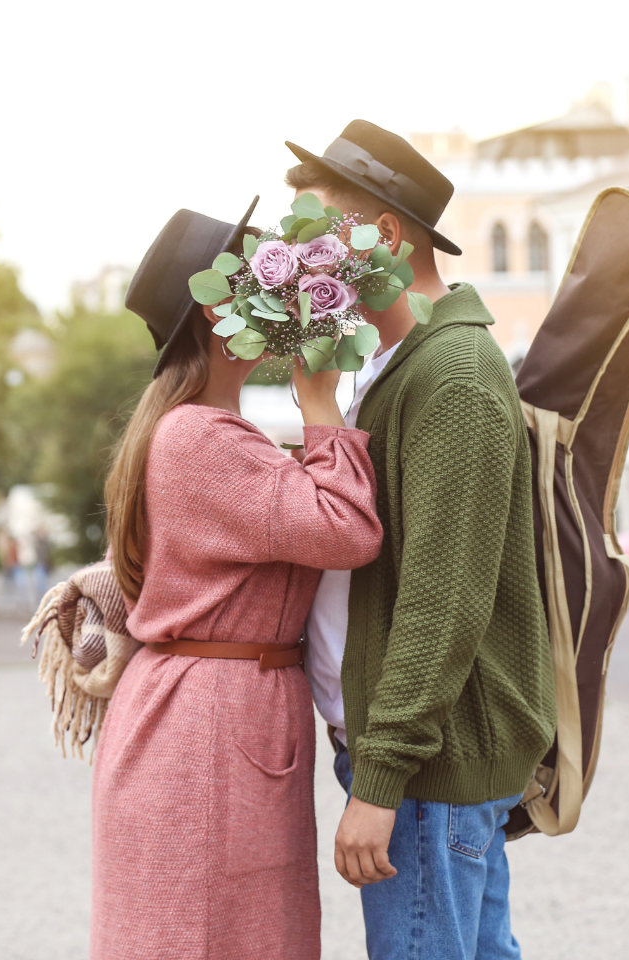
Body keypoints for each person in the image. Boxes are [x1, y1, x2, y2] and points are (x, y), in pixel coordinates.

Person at [287, 121, 556, 959]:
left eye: (314, 233)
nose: (300, 260)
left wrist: (381, 779)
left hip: (422, 776)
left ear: (384, 237)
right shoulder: (396, 366)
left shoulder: (456, 377)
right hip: (414, 770)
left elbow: (444, 603)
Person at [90, 199, 383, 960]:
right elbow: (345, 530)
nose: (271, 296)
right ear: (219, 313)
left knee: (233, 933)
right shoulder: (198, 436)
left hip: (217, 711)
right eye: (250, 282)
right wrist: (321, 409)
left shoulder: (194, 427)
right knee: (210, 936)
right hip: (208, 725)